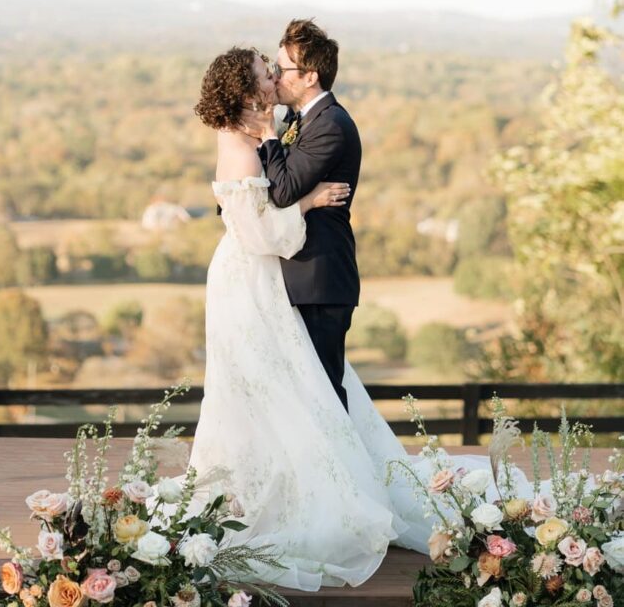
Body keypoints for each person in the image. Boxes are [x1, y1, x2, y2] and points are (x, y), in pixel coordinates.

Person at [189, 40, 510, 590]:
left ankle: (323, 489)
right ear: (246, 88)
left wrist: (283, 170)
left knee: (299, 389)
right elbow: (260, 231)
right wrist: (310, 202)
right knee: (268, 392)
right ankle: (277, 495)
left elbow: (257, 202)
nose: (273, 80)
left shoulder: (284, 128)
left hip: (273, 281)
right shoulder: (243, 141)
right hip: (252, 279)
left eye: (277, 69)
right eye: (266, 73)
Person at [239, 19, 360, 413]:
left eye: (282, 69)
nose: (274, 77)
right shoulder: (300, 120)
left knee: (323, 393)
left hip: (320, 280)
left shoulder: (331, 125)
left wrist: (269, 137)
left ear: (310, 76)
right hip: (296, 276)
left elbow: (283, 190)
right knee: (299, 399)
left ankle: (344, 475)